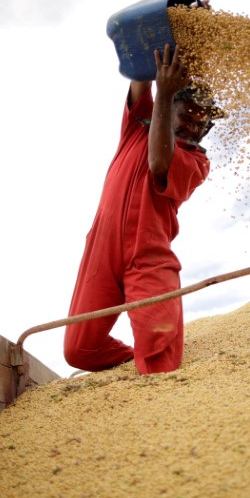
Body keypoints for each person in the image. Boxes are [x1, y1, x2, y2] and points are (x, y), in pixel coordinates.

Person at [64, 42, 224, 375]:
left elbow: (158, 161)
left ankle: (152, 369)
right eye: (189, 113)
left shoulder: (198, 161)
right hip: (101, 250)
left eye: (203, 121)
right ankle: (134, 361)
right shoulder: (139, 125)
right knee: (79, 350)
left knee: (160, 364)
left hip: (148, 256)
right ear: (171, 107)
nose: (195, 125)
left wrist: (166, 95)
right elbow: (140, 76)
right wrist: (167, 38)